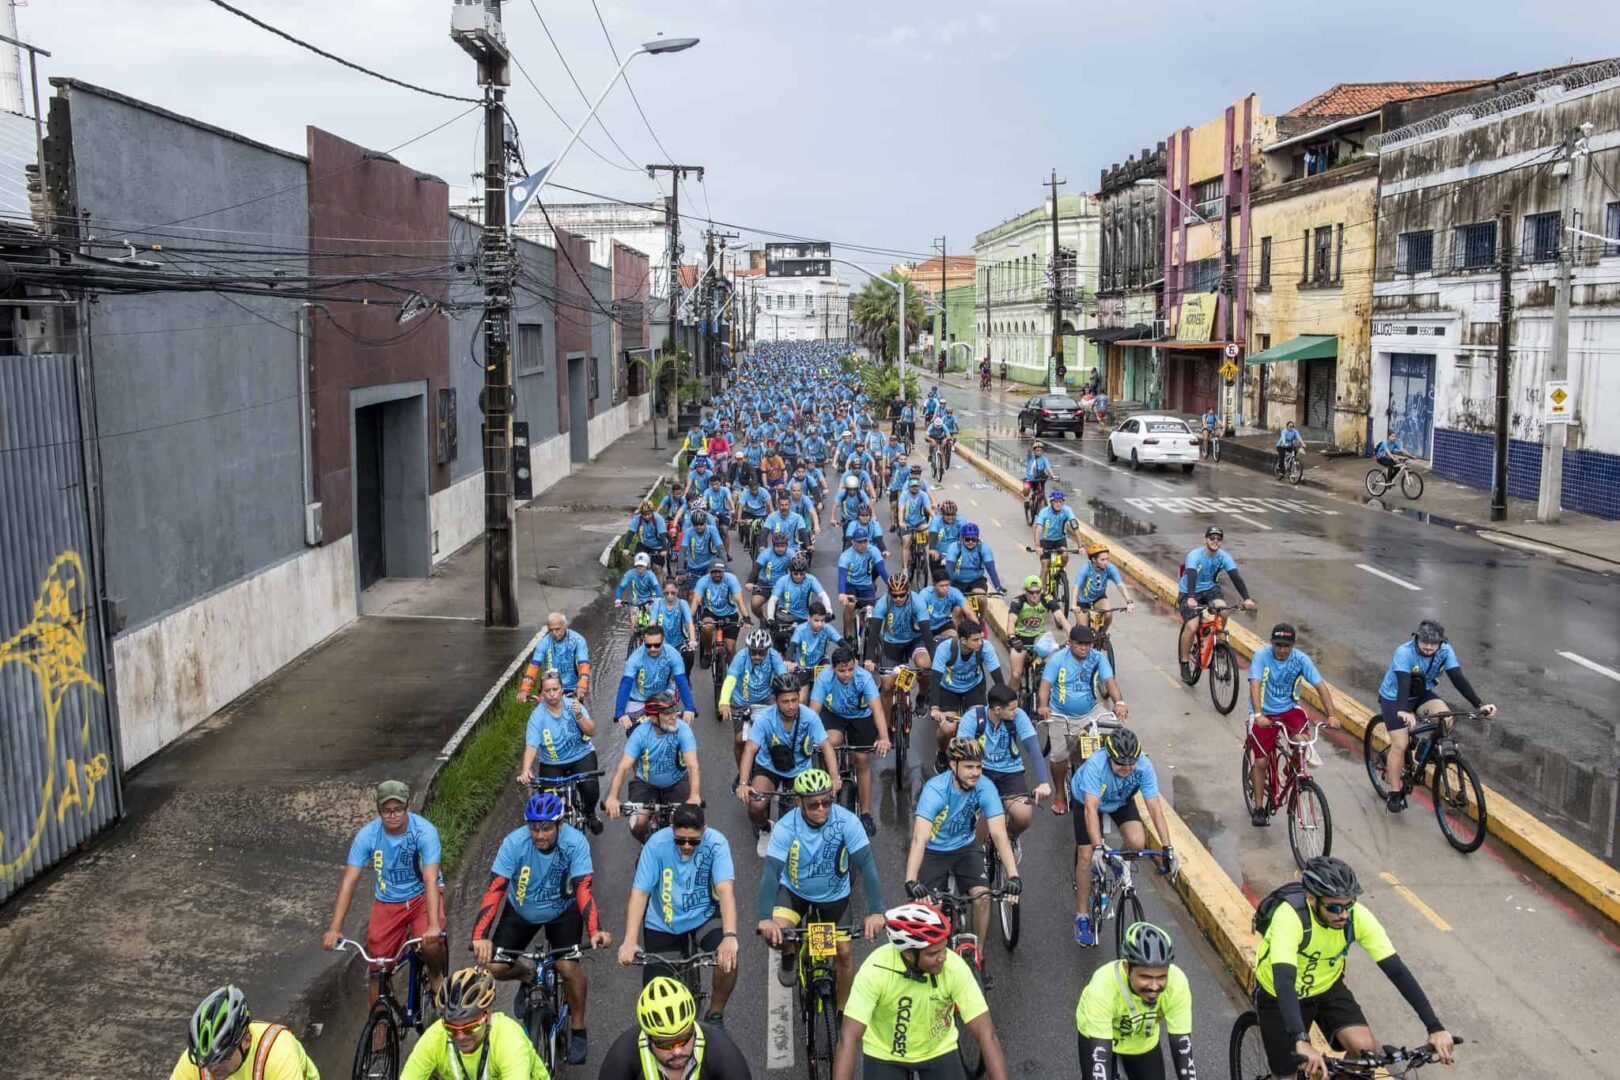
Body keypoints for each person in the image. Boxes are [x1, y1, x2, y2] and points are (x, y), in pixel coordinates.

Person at [1252, 857, 1453, 1080]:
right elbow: (1284, 980)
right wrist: (1301, 1040)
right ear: (1311, 899)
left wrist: (1434, 1027)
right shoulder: (1289, 918)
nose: (1343, 914)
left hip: (1327, 988)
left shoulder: (1356, 917)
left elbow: (1396, 970)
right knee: (1286, 1076)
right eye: (1335, 907)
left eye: (1348, 904)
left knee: (1366, 1051)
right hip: (1279, 993)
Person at [471, 793, 611, 1065]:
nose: (539, 835)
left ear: (560, 824)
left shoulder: (575, 843)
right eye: (533, 827)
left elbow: (583, 889)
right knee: (494, 967)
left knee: (567, 968)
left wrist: (595, 930)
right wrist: (480, 937)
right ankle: (527, 977)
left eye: (546, 827)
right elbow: (495, 890)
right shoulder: (513, 843)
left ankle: (578, 1028)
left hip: (563, 911)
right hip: (521, 909)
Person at [834, 902, 1011, 1080]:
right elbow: (848, 1038)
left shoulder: (954, 966)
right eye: (933, 953)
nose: (942, 957)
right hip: (884, 1053)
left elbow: (986, 1035)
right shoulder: (876, 969)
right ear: (908, 954)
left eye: (944, 948)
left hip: (939, 1049)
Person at [757, 769, 888, 1009]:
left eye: (826, 802)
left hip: (834, 897)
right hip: (794, 892)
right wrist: (765, 918)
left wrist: (876, 910)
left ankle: (842, 1011)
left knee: (844, 952)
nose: (821, 810)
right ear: (798, 802)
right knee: (775, 936)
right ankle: (789, 953)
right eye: (813, 804)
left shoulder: (847, 822)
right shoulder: (786, 827)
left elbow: (866, 865)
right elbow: (771, 872)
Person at [617, 804, 741, 1026]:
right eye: (680, 840)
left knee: (728, 962)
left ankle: (715, 1014)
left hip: (703, 916)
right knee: (656, 998)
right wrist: (629, 940)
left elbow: (725, 891)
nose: (686, 846)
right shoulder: (656, 845)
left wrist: (730, 936)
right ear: (671, 830)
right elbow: (640, 894)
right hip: (663, 923)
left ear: (705, 830)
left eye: (694, 841)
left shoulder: (717, 843)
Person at [324, 780, 446, 999]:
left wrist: (433, 925)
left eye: (398, 809)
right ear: (379, 810)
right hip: (387, 902)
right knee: (378, 967)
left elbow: (430, 880)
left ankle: (436, 975)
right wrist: (335, 928)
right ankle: (379, 1022)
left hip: (421, 897)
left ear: (408, 806)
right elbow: (349, 882)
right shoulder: (367, 836)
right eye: (387, 811)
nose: (393, 815)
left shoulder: (425, 832)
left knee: (430, 944)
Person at [904, 738, 1021, 960]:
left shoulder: (985, 787)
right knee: (931, 907)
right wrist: (911, 881)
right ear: (952, 765)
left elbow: (999, 834)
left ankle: (978, 957)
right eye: (969, 767)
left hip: (965, 847)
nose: (976, 773)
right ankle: (935, 958)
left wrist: (1013, 875)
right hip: (933, 851)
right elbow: (920, 839)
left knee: (983, 898)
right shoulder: (935, 791)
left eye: (979, 766)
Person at [1071, 729, 1178, 947]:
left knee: (1137, 842)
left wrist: (1168, 846)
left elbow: (1155, 808)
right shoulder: (1095, 765)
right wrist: (1098, 847)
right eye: (1121, 764)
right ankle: (1081, 917)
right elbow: (1091, 810)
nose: (1128, 769)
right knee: (1086, 855)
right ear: (1109, 757)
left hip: (1119, 800)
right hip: (1088, 801)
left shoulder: (1144, 766)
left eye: (1132, 764)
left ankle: (1115, 860)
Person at [1374, 620, 1496, 813]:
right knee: (1400, 744)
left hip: (1422, 694)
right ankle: (1395, 792)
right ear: (1416, 638)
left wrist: (1479, 704)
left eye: (1434, 643)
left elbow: (1458, 678)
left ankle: (1424, 751)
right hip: (1395, 698)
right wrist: (1403, 710)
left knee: (1446, 719)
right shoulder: (1404, 652)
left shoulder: (1445, 651)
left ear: (1441, 642)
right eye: (1425, 642)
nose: (1429, 647)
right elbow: (1404, 683)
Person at [1076, 922, 1196, 1080]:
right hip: (1100, 1036)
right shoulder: (1102, 988)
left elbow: (1183, 1049)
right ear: (1127, 968)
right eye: (1145, 977)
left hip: (1142, 1042)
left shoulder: (1177, 983)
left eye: (1161, 977)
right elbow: (1099, 1062)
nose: (1154, 986)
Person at [1247, 623, 1340, 827]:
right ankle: (1259, 808)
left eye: (1286, 646)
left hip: (1290, 710)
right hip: (1264, 711)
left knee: (1302, 744)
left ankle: (1291, 773)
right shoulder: (1262, 656)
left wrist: (1331, 715)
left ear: (1293, 645)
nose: (1282, 650)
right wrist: (1259, 713)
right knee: (1261, 762)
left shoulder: (1301, 659)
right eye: (1278, 645)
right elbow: (1254, 683)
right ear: (1271, 643)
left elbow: (1320, 686)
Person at [738, 675, 841, 852]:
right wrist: (743, 784)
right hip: (768, 767)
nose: (791, 705)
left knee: (808, 812)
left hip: (799, 770)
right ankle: (765, 828)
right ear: (775, 700)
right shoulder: (765, 718)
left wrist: (835, 777)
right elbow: (749, 750)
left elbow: (826, 746)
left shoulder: (809, 717)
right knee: (755, 806)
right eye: (785, 701)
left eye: (794, 700)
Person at [1036, 624, 1127, 816]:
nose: (1085, 648)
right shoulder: (1058, 659)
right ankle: (1060, 794)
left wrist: (1119, 703)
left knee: (1118, 734)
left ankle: (1111, 783)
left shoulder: (1098, 658)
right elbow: (1045, 686)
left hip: (1090, 711)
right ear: (1069, 643)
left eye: (1088, 644)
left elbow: (1110, 682)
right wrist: (1043, 706)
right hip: (1060, 714)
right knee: (1058, 757)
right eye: (1080, 644)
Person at [399, 967, 545, 1080]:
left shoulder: (509, 1040)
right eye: (451, 1029)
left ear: (487, 1015)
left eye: (470, 1027)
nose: (460, 1036)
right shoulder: (436, 1036)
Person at [807, 644, 892, 835]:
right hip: (834, 714)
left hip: (861, 716)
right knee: (830, 742)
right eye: (842, 670)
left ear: (856, 665)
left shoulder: (864, 678)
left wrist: (884, 737)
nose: (847, 674)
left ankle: (866, 814)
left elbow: (878, 709)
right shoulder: (825, 677)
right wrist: (807, 738)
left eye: (850, 669)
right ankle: (827, 783)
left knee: (861, 760)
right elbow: (813, 713)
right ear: (833, 668)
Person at [598, 977, 754, 1079]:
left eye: (684, 1039)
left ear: (693, 1029)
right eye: (666, 1044)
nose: (677, 1051)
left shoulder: (723, 1052)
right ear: (648, 1038)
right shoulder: (622, 1055)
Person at [954, 685, 1052, 844]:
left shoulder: (1018, 716)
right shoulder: (972, 718)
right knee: (983, 814)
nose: (1016, 711)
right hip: (981, 771)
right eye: (1012, 709)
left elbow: (1033, 748)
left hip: (1010, 772)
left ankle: (1009, 838)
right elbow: (961, 752)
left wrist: (1044, 782)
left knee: (1023, 816)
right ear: (998, 709)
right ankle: (976, 856)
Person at [604, 691, 703, 843]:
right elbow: (623, 767)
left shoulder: (683, 729)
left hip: (676, 782)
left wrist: (694, 795)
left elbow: (693, 766)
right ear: (653, 717)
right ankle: (646, 846)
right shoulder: (640, 733)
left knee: (686, 825)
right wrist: (612, 797)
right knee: (639, 823)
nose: (673, 716)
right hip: (646, 783)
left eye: (674, 711)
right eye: (667, 713)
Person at [517, 671, 604, 835]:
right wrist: (526, 769)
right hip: (552, 763)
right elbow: (531, 746)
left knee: (590, 788)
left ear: (562, 689)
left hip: (581, 755)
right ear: (542, 693)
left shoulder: (574, 706)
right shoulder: (537, 717)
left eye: (555, 689)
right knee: (547, 804)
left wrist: (579, 716)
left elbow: (592, 731)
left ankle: (590, 813)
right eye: (547, 691)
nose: (551, 694)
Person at [172, 984, 318, 1080]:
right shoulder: (198, 1059)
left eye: (223, 1058)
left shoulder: (279, 1052)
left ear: (246, 1040)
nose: (213, 1068)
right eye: (207, 1061)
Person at [1176, 524, 1256, 679]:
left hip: (1211, 589)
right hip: (1189, 591)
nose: (1215, 541)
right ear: (1205, 540)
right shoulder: (1195, 555)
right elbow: (1191, 574)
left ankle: (1216, 641)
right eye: (1212, 538)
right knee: (1192, 627)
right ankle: (1185, 662)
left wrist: (1247, 598)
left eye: (1218, 539)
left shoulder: (1224, 557)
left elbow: (1235, 577)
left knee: (1224, 611)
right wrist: (1191, 597)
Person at [721, 627, 788, 767]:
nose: (757, 656)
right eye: (754, 652)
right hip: (741, 702)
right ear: (748, 649)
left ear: (767, 650)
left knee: (774, 734)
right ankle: (741, 774)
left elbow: (783, 678)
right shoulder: (740, 657)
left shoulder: (773, 656)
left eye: (761, 653)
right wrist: (724, 702)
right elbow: (730, 680)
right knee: (740, 740)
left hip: (765, 698)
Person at [615, 625, 698, 732]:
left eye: (657, 645)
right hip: (638, 700)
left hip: (663, 696)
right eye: (648, 645)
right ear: (643, 642)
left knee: (672, 733)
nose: (652, 649)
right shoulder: (635, 658)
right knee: (633, 733)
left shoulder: (672, 654)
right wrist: (620, 712)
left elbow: (681, 681)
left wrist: (689, 707)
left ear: (663, 641)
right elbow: (625, 685)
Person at [929, 623, 1003, 729]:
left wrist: (1004, 703)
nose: (980, 643)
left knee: (980, 725)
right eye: (975, 640)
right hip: (948, 687)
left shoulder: (985, 647)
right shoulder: (945, 648)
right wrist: (934, 708)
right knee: (948, 730)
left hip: (974, 686)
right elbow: (935, 679)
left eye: (981, 638)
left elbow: (998, 678)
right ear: (963, 640)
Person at [1004, 574, 1069, 694]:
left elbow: (1061, 617)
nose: (1035, 595)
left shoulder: (1047, 599)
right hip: (1020, 639)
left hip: (1039, 638)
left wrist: (1072, 636)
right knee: (1016, 674)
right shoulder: (1018, 601)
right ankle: (1009, 701)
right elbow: (1011, 620)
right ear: (1025, 591)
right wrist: (1012, 637)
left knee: (1051, 670)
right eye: (1031, 592)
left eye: (1038, 592)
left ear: (1042, 590)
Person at [517, 612, 591, 702]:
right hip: (550, 689)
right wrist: (525, 688)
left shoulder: (578, 640)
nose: (554, 633)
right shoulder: (544, 642)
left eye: (557, 629)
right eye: (551, 630)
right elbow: (534, 666)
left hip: (572, 689)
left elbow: (583, 664)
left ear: (565, 626)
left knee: (578, 714)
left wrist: (582, 685)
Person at [691, 561, 749, 673]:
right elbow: (696, 600)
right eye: (714, 572)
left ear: (724, 572)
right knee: (706, 627)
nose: (717, 574)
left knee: (730, 649)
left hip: (730, 614)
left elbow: (739, 600)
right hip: (711, 612)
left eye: (720, 572)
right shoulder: (703, 581)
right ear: (710, 572)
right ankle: (708, 652)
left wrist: (746, 616)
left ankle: (731, 676)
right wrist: (691, 617)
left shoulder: (731, 579)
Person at [835, 527, 889, 638]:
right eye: (859, 542)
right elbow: (842, 577)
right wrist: (841, 593)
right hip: (851, 586)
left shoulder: (873, 550)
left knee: (872, 612)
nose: (863, 544)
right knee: (850, 605)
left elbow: (882, 570)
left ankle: (864, 632)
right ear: (853, 542)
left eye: (865, 541)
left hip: (867, 586)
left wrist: (891, 585)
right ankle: (848, 633)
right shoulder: (845, 556)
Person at [1074, 543, 1136, 635]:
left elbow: (1120, 585)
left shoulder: (1110, 568)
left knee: (1108, 614)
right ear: (1094, 560)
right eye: (1102, 559)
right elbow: (1076, 587)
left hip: (1099, 597)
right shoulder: (1086, 569)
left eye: (1107, 559)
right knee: (1084, 633)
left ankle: (1102, 636)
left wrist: (1129, 601)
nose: (1106, 562)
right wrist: (1074, 605)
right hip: (1083, 601)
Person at [1031, 489, 1079, 593]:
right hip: (1046, 541)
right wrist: (1037, 546)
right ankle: (1042, 593)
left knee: (1065, 555)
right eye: (1055, 502)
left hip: (1060, 539)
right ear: (1051, 502)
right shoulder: (1044, 512)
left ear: (1063, 502)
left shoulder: (1067, 510)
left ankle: (1061, 572)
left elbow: (1075, 527)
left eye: (1060, 501)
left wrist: (1081, 546)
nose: (1058, 504)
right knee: (1045, 566)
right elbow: (1038, 529)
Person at [650, 579, 698, 677]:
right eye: (667, 593)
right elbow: (652, 623)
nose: (670, 595)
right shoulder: (657, 604)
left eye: (673, 592)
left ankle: (686, 679)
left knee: (689, 655)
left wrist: (692, 640)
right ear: (662, 591)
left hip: (681, 643)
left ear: (677, 590)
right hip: (663, 643)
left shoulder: (682, 604)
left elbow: (690, 623)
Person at [626, 502, 671, 570]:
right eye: (644, 514)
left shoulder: (658, 519)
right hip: (644, 545)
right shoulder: (637, 519)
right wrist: (625, 548)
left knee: (658, 568)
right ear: (641, 513)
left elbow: (662, 536)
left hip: (658, 546)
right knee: (639, 566)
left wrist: (664, 549)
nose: (647, 517)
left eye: (649, 514)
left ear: (652, 512)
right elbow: (630, 533)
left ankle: (659, 580)